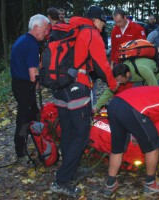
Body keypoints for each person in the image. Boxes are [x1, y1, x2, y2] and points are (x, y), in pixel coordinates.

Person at [49, 6, 118, 197]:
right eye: (103, 23)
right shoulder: (90, 32)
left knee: (68, 132)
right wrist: (114, 85)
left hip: (59, 86)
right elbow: (101, 65)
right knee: (82, 134)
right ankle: (62, 180)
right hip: (77, 87)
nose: (103, 27)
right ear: (96, 20)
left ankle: (68, 170)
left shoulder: (70, 28)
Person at [103, 86, 159, 197]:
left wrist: (138, 134)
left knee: (117, 148)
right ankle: (150, 183)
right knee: (153, 146)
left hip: (115, 103)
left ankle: (110, 183)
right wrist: (156, 139)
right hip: (131, 108)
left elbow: (149, 117)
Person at [10, 14, 50, 164]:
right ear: (36, 28)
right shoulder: (32, 45)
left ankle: (40, 144)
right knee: (24, 120)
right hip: (25, 87)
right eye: (45, 29)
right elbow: (33, 75)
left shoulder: (22, 39)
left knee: (35, 115)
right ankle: (20, 151)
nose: (46, 33)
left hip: (19, 84)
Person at [94, 58, 159, 111]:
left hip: (155, 75)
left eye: (120, 81)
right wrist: (97, 106)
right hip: (140, 78)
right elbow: (110, 90)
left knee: (150, 97)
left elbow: (155, 90)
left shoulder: (143, 69)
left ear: (127, 74)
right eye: (117, 81)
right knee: (135, 97)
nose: (119, 83)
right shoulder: (123, 71)